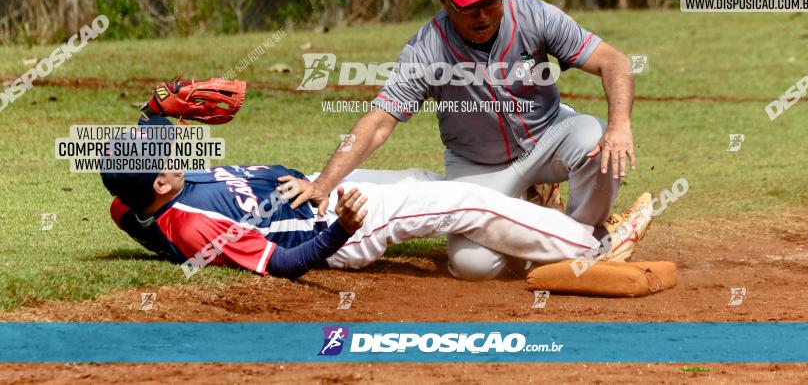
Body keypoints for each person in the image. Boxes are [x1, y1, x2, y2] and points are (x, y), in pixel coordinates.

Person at [289, 0, 638, 280]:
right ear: (445, 2)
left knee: (596, 137)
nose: (482, 15)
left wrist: (621, 126)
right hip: (478, 166)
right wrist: (324, 183)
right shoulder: (428, 47)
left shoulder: (534, 15)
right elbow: (380, 120)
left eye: (490, 2)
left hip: (549, 137)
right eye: (470, 6)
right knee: (474, 266)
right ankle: (543, 218)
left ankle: (587, 234)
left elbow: (613, 61)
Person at [104, 117, 652, 280]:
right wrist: (341, 225)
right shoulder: (196, 229)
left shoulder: (136, 199)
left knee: (434, 184)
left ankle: (534, 214)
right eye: (165, 150)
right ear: (158, 185)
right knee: (468, 205)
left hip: (319, 188)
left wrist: (154, 107)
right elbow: (286, 265)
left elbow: (121, 198)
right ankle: (593, 242)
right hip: (341, 226)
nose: (175, 143)